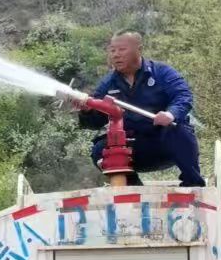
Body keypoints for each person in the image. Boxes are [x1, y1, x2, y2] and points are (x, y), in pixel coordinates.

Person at [78, 31, 205, 186]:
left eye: (122, 49)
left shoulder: (162, 72)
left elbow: (183, 96)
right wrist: (87, 111)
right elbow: (96, 121)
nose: (116, 55)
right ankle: (132, 188)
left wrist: (171, 114)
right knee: (100, 149)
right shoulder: (107, 84)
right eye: (112, 50)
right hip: (135, 146)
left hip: (166, 143)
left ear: (139, 49)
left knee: (178, 130)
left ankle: (193, 183)